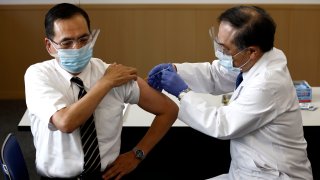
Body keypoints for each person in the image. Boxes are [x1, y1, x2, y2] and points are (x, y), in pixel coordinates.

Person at [147, 5, 313, 180]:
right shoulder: (258, 57)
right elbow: (217, 74)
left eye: (225, 48)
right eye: (218, 43)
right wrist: (177, 70)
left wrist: (182, 92)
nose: (220, 52)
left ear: (252, 52)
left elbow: (222, 124)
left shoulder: (267, 83)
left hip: (271, 175)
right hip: (248, 170)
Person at [24, 3, 178, 180]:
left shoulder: (112, 73)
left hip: (108, 175)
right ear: (49, 46)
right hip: (57, 178)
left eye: (84, 39)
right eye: (67, 42)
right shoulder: (38, 75)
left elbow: (169, 110)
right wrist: (105, 83)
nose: (77, 48)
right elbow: (66, 123)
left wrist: (137, 154)